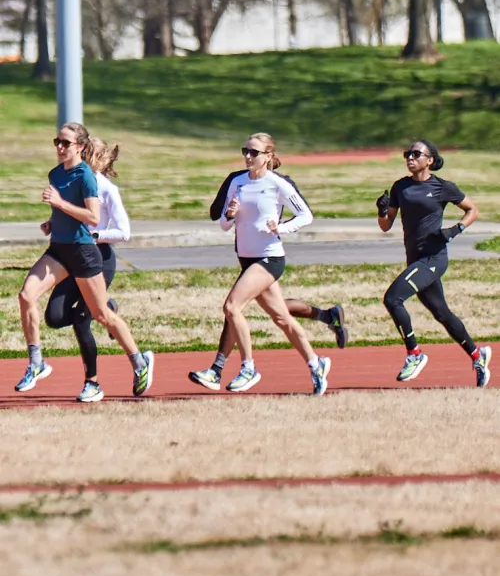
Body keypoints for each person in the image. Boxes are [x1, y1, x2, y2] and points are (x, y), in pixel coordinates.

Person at [15, 122, 154, 397]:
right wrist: (52, 223)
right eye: (57, 141)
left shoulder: (87, 177)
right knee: (26, 296)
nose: (59, 147)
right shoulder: (55, 173)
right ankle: (37, 362)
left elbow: (91, 217)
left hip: (83, 252)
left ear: (80, 146)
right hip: (59, 249)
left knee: (102, 314)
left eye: (65, 143)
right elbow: (65, 212)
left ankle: (139, 361)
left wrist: (59, 203)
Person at [188, 163, 348, 392]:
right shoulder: (237, 180)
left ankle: (244, 368)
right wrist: (230, 213)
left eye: (254, 152)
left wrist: (281, 228)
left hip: (268, 259)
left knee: (233, 308)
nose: (248, 156)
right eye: (246, 151)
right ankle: (316, 362)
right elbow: (221, 220)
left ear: (268, 156)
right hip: (247, 257)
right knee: (281, 316)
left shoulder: (279, 183)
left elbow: (305, 215)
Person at [376, 139, 491, 387]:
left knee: (392, 299)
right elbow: (386, 226)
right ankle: (477, 355)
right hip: (415, 259)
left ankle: (414, 354)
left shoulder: (442, 187)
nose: (410, 157)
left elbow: (472, 209)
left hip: (434, 258)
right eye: (407, 153)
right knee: (442, 313)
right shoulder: (400, 187)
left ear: (429, 160)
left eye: (416, 154)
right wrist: (382, 211)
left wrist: (454, 230)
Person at [44, 137, 129, 402]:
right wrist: (52, 223)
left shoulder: (105, 188)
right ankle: (106, 309)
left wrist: (96, 235)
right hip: (73, 255)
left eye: (93, 151)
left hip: (98, 258)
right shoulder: (76, 180)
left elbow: (124, 232)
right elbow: (71, 215)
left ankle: (92, 383)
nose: (87, 155)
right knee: (55, 317)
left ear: (102, 159)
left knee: (82, 323)